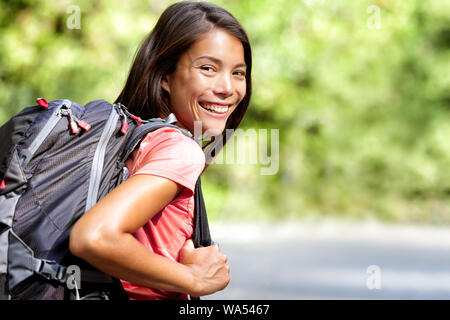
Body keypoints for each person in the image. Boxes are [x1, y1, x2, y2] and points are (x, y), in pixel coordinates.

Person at [69, 1, 252, 300]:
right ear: (165, 76)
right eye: (208, 68)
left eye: (238, 73)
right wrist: (192, 278)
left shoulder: (134, 137)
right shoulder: (178, 150)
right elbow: (93, 237)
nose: (227, 87)